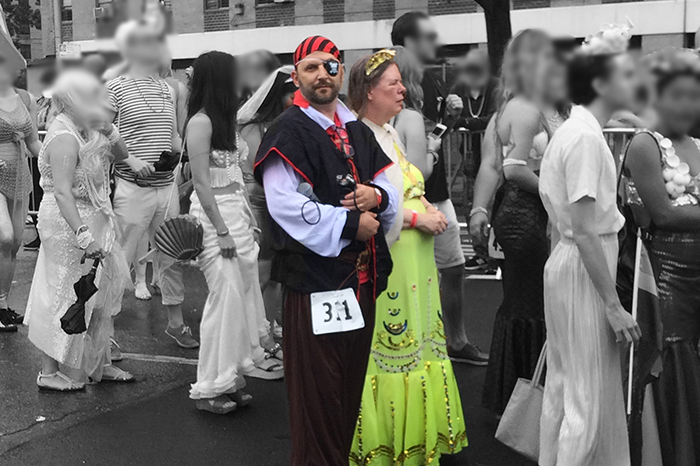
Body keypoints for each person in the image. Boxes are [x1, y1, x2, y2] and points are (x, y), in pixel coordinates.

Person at [253, 36, 398, 466]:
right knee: (317, 397)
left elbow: (388, 184)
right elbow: (283, 204)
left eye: (330, 66)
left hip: (361, 281)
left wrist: (377, 197)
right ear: (295, 75)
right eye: (312, 67)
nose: (322, 75)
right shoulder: (288, 130)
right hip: (315, 282)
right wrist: (352, 224)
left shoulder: (355, 128)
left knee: (347, 390)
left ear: (340, 72)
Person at [347, 49, 468, 465]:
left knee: (419, 342)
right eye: (393, 83)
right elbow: (367, 206)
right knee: (393, 344)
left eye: (401, 81)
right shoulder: (358, 138)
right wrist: (419, 218)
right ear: (368, 91)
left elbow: (407, 187)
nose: (402, 89)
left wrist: (427, 209)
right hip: (392, 260)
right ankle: (388, 444)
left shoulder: (389, 132)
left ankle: (418, 439)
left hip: (417, 261)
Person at [538, 26, 641, 465]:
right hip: (585, 264)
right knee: (585, 395)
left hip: (574, 262)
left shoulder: (577, 130)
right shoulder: (583, 137)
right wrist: (612, 305)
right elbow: (582, 229)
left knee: (568, 387)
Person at [24, 70, 134, 390]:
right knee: (64, 293)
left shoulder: (85, 128)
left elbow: (123, 155)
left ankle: (100, 363)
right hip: (67, 224)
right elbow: (62, 193)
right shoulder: (64, 135)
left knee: (97, 295)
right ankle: (48, 372)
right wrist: (83, 235)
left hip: (94, 216)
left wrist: (109, 128)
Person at [479, 30, 567, 415]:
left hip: (529, 210)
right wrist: (556, 195)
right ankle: (527, 402)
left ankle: (519, 399)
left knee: (528, 302)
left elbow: (491, 165)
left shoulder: (522, 106)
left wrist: (479, 210)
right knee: (531, 304)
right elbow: (511, 169)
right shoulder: (525, 107)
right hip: (528, 214)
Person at [185, 51, 280, 413]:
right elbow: (201, 184)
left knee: (242, 298)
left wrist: (248, 219)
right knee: (223, 299)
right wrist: (222, 230)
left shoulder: (226, 121)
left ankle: (231, 377)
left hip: (236, 214)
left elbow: (236, 178)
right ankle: (209, 386)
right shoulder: (200, 123)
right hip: (214, 220)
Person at [391, 11, 487, 365]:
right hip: (408, 196)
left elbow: (436, 133)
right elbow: (420, 156)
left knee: (452, 266)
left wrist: (449, 119)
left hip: (434, 191)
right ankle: (413, 342)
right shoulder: (393, 76)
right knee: (411, 273)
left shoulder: (428, 79)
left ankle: (454, 341)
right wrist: (434, 141)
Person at [622, 47, 700, 466]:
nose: (689, 104)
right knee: (673, 358)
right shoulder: (644, 144)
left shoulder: (697, 144)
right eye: (679, 95)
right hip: (666, 276)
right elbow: (663, 214)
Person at [105, 20, 198, 351]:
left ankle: (176, 322)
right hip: (132, 187)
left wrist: (178, 151)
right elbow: (99, 126)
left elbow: (173, 133)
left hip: (166, 185)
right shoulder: (115, 87)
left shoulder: (166, 88)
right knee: (121, 258)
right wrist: (128, 159)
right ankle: (106, 332)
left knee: (171, 255)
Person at [239, 65, 296, 344]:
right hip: (259, 202)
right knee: (262, 273)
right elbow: (255, 166)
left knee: (277, 275)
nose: (297, 100)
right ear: (278, 95)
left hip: (283, 204)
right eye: (292, 95)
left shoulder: (295, 122)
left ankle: (270, 327)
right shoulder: (254, 127)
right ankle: (256, 334)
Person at [0, 39, 42, 332]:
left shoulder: (26, 99)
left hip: (20, 175)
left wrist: (65, 159)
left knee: (14, 242)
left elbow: (35, 142)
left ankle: (3, 304)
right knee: (3, 237)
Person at [451, 48, 500, 271]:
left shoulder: (495, 88)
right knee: (470, 202)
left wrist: (466, 123)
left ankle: (495, 253)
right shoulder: (458, 90)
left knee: (494, 202)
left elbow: (495, 118)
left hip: (494, 156)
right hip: (470, 156)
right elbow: (450, 119)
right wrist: (456, 117)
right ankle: (480, 252)